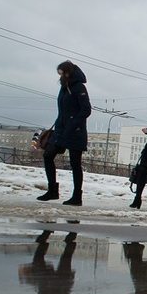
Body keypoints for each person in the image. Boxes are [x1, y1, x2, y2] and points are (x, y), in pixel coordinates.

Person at [37, 61, 92, 206]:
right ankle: (53, 191)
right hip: (61, 129)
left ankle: (77, 197)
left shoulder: (79, 87)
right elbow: (63, 110)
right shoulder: (63, 87)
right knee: (48, 155)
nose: (61, 76)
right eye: (59, 73)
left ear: (69, 72)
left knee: (75, 163)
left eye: (63, 73)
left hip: (76, 131)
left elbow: (86, 110)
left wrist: (73, 123)